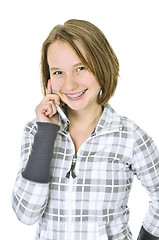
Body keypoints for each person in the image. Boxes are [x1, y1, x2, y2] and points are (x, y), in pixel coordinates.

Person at [11, 19, 159, 240]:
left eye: (80, 68)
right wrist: (46, 134)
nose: (70, 85)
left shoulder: (129, 136)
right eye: (58, 72)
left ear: (102, 66)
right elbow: (26, 214)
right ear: (49, 79)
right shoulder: (36, 131)